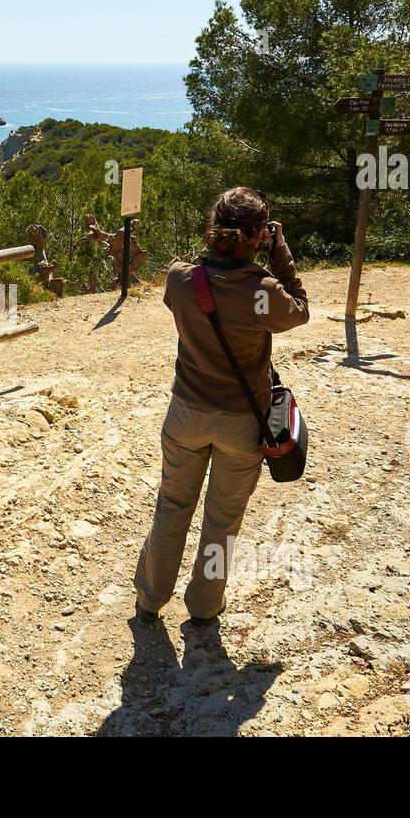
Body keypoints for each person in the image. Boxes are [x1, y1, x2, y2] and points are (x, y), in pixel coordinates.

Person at [134, 187, 309, 626]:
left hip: (186, 414)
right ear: (260, 235)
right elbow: (300, 311)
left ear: (213, 227)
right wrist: (279, 253)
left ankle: (150, 599)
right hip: (239, 424)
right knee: (222, 523)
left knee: (172, 507)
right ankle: (205, 606)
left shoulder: (179, 278)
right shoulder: (263, 291)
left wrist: (224, 253)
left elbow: (190, 288)